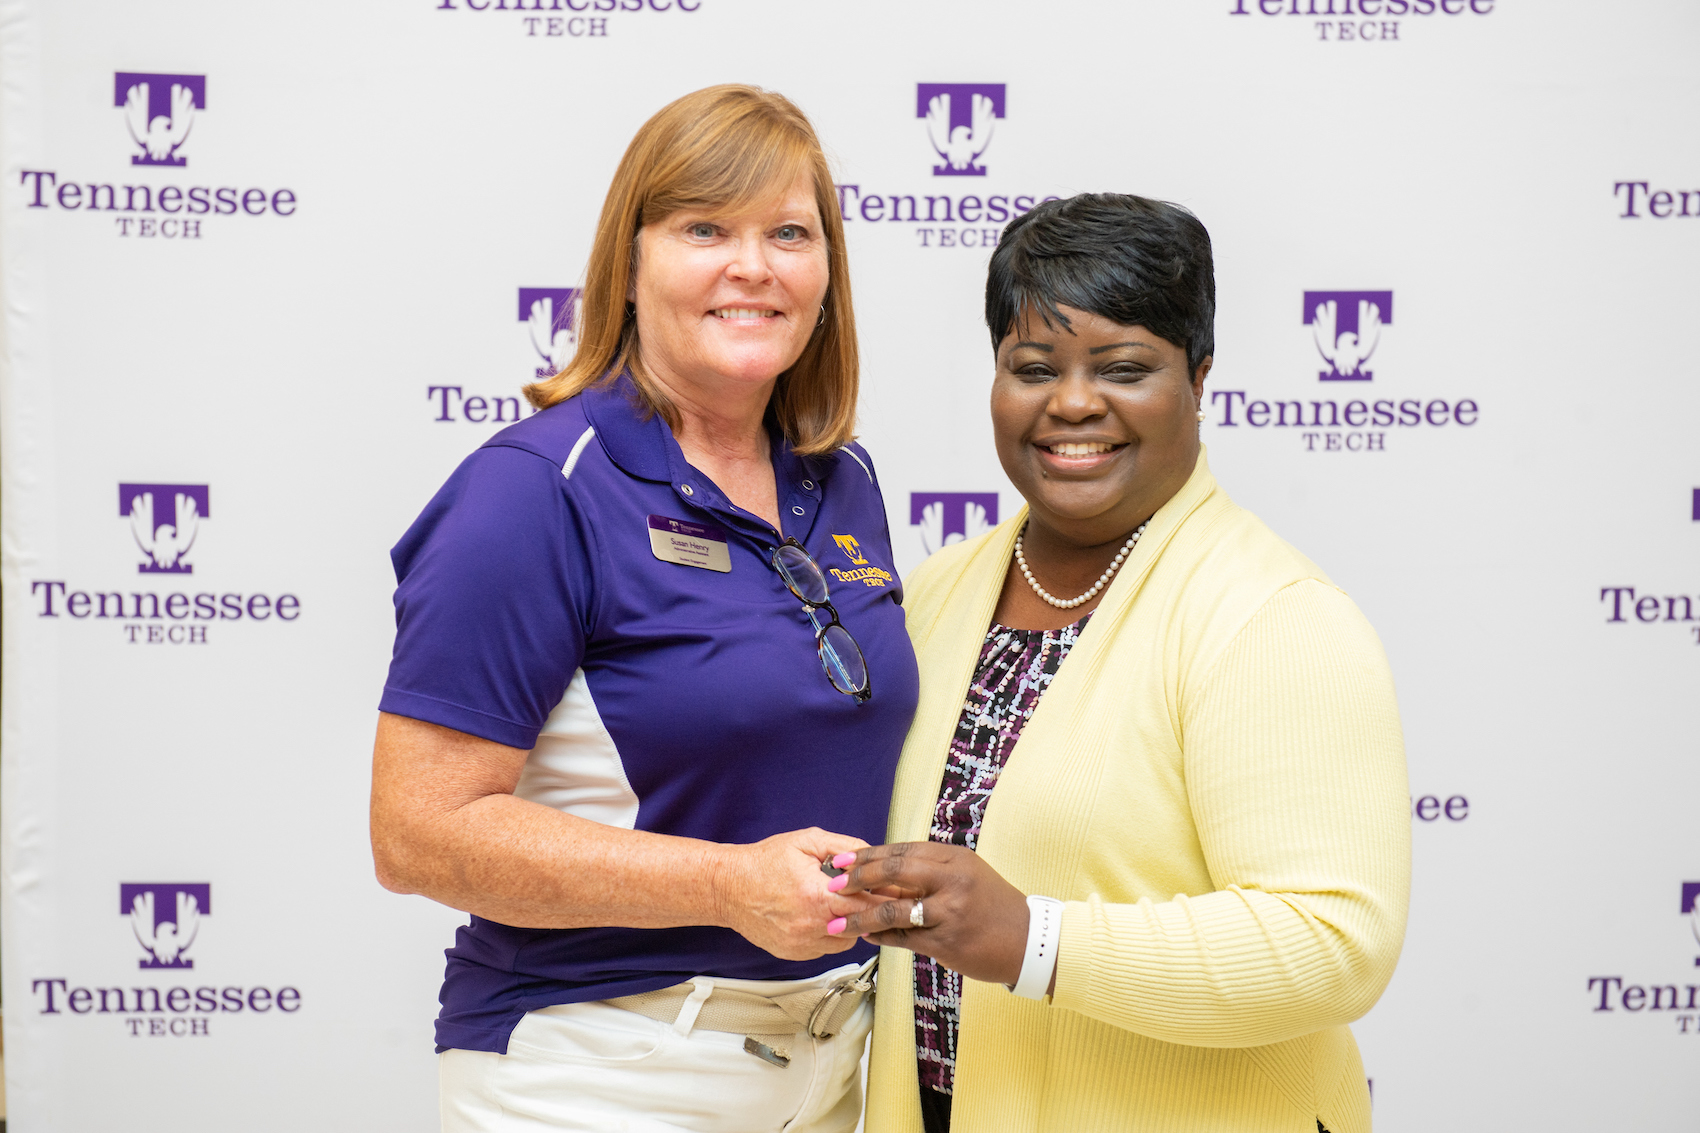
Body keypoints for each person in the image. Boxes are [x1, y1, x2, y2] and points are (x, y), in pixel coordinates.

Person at [369, 85, 919, 1133]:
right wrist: (727, 885)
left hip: (833, 1066)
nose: (751, 266)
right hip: (603, 1069)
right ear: (629, 263)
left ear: (825, 275)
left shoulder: (839, 479)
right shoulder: (533, 489)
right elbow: (415, 835)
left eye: (788, 234)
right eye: (704, 228)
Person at [826, 193, 1410, 1133]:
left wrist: (1037, 939)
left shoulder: (1271, 617)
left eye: (1124, 368)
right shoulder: (932, 595)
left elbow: (1334, 943)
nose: (1072, 403)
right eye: (1033, 367)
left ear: (1200, 376)